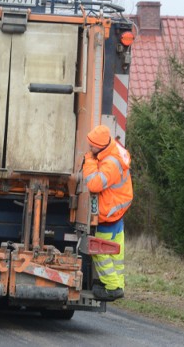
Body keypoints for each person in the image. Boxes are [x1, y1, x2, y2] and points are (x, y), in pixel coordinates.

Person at [82, 124, 133, 301]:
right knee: (117, 252)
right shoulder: (113, 151)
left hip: (109, 213)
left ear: (101, 146)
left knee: (99, 250)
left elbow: (94, 184)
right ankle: (118, 285)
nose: (90, 149)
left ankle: (112, 287)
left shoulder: (111, 163)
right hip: (117, 212)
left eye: (92, 146)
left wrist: (89, 161)